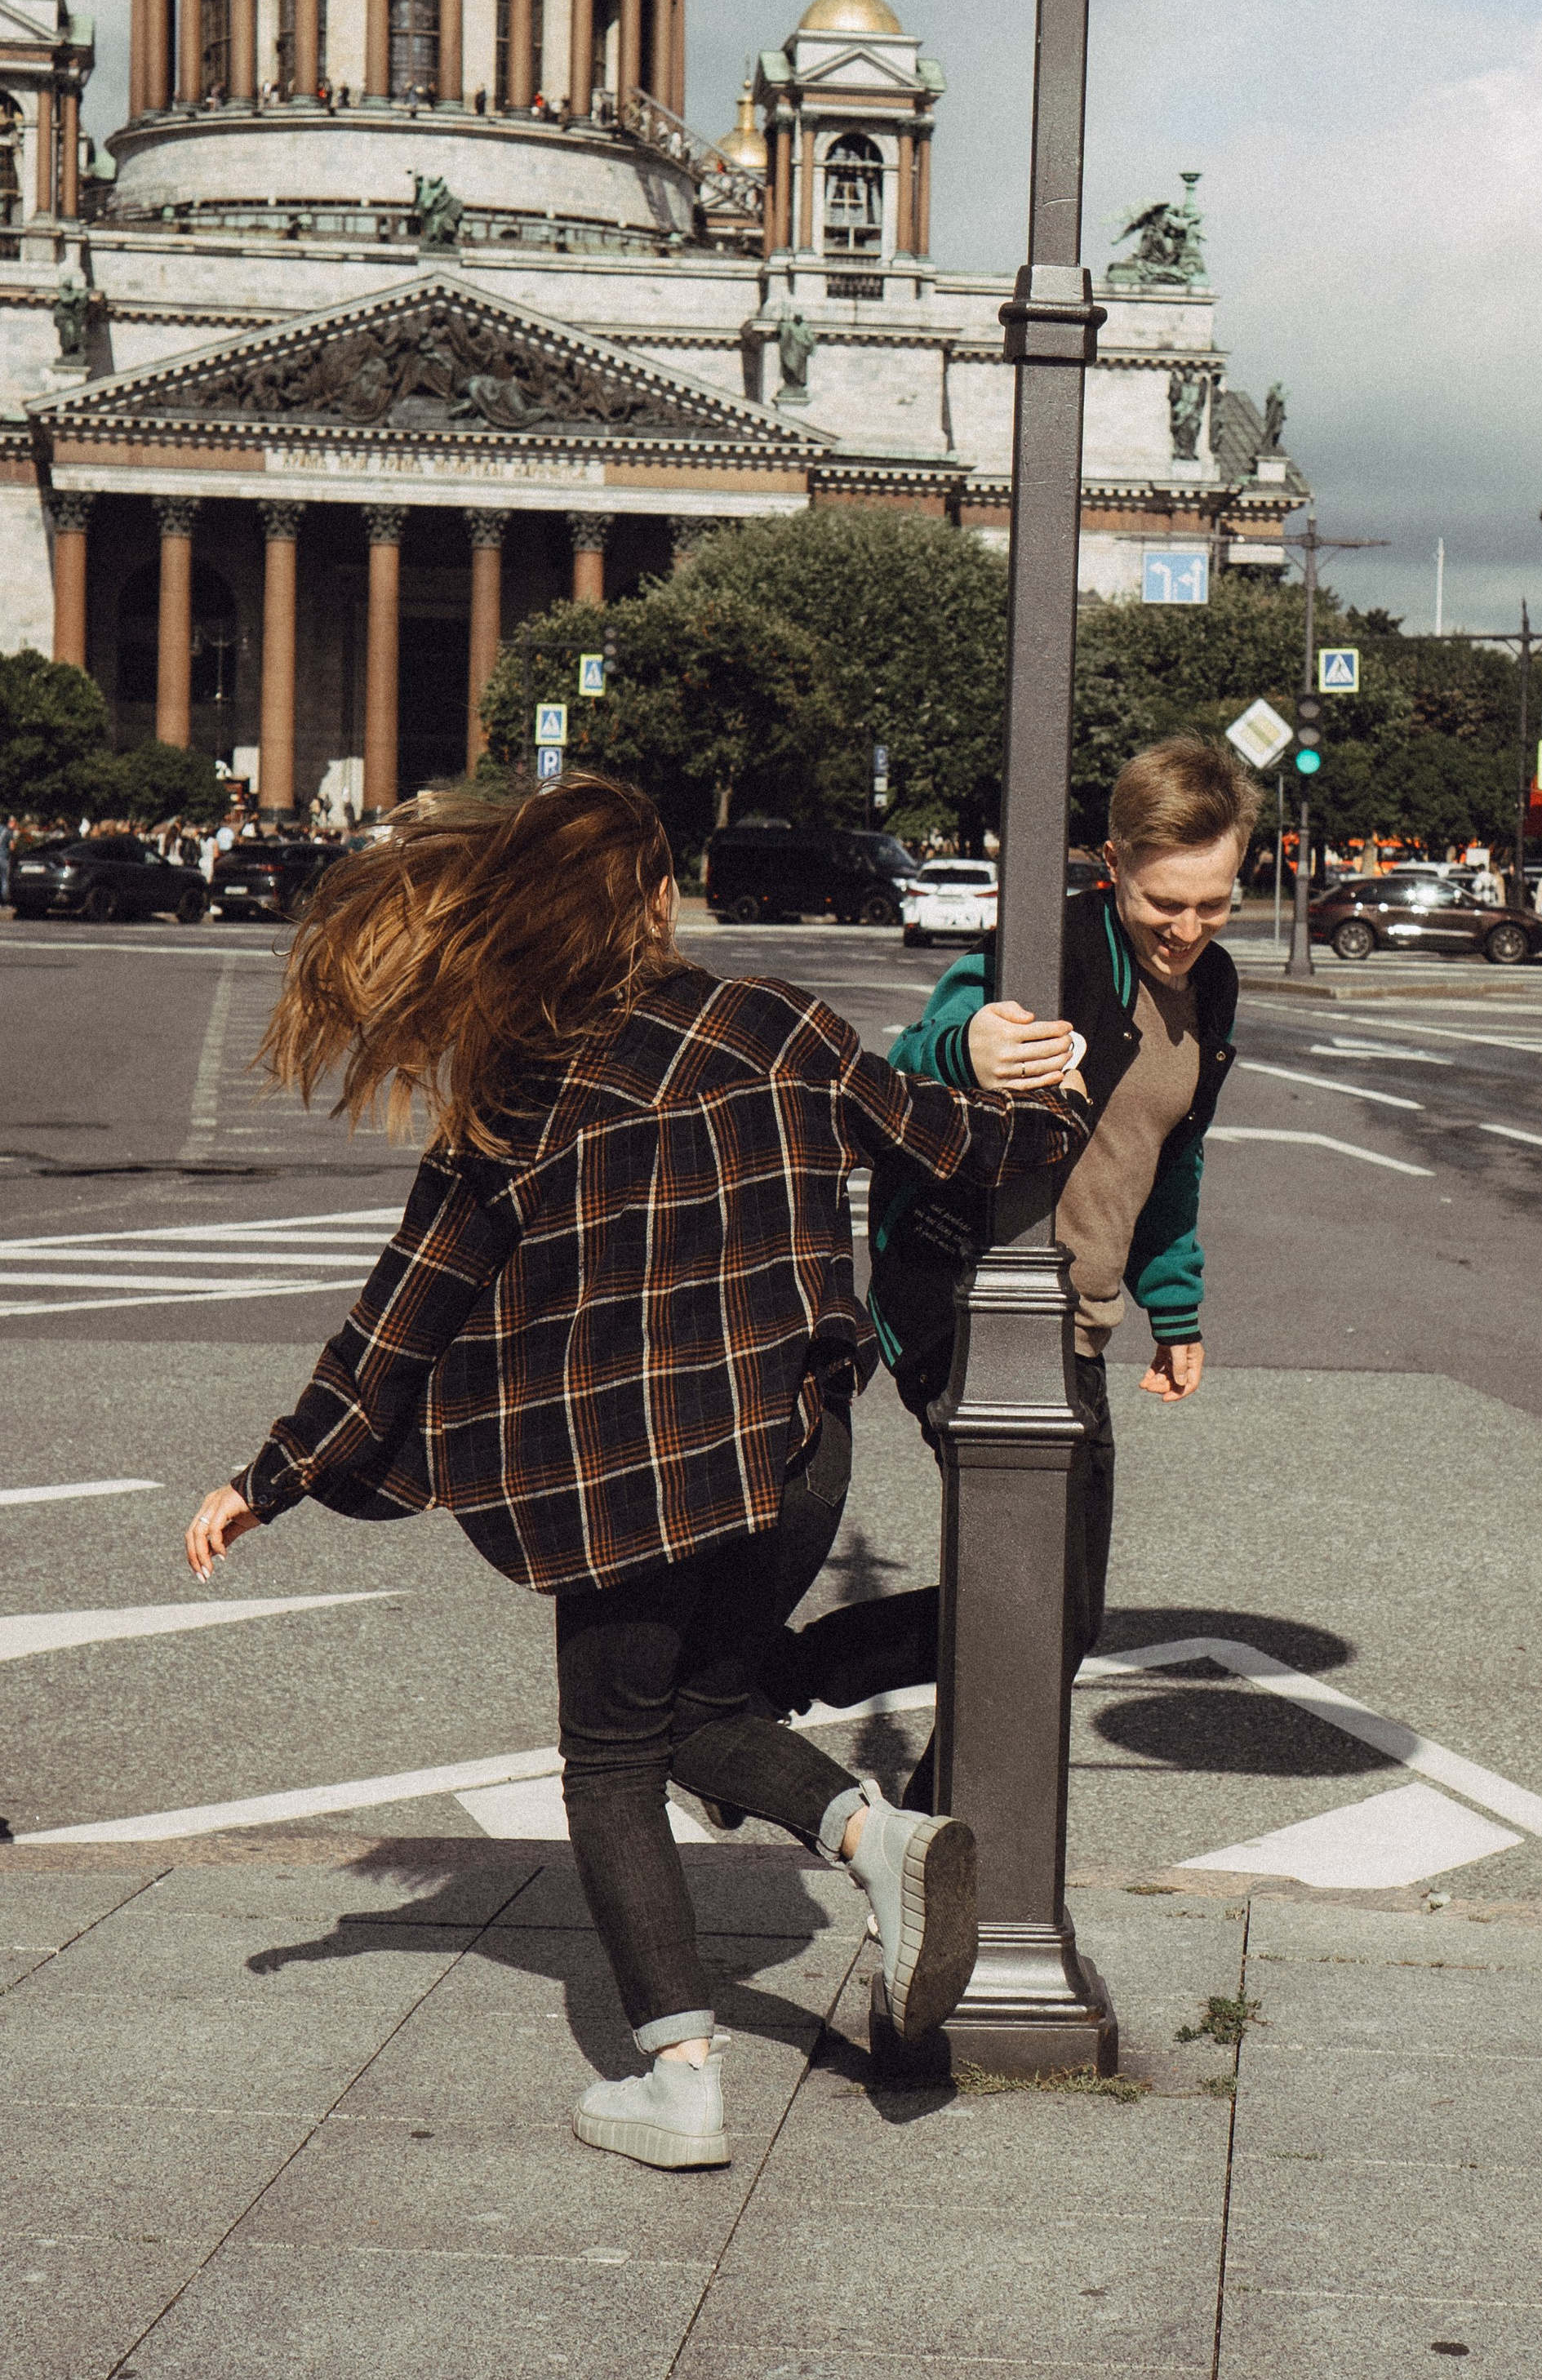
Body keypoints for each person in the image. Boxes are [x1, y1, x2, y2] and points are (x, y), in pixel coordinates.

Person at [182, 778, 1087, 2172]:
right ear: (660, 903)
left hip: (616, 1478)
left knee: (610, 1756)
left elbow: (404, 1309)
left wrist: (272, 1473)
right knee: (704, 1706)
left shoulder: (521, 1097)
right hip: (796, 1458)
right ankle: (874, 1840)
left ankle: (681, 2075)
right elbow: (959, 1143)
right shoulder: (780, 1023)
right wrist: (1059, 1099)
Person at [767, 735, 1255, 1793]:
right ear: (1114, 863)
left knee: (1048, 1617)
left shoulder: (1211, 987)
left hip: (1071, 1318)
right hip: (964, 1302)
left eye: (1213, 903)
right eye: (1164, 901)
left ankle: (799, 1727)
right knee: (1032, 1613)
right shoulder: (1048, 946)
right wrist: (966, 1049)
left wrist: (1176, 1311)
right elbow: (919, 1055)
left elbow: (1171, 1164)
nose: (1186, 929)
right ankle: (804, 1725)